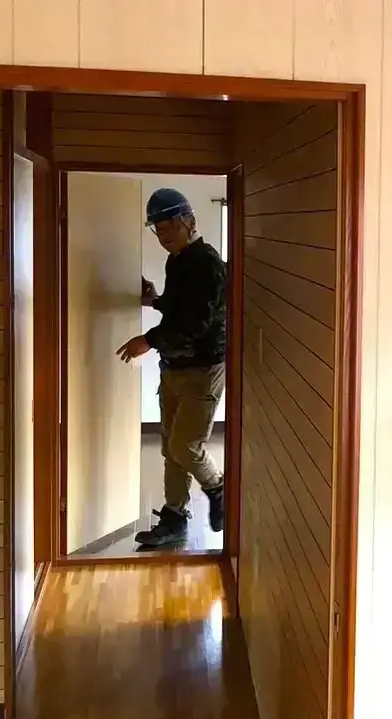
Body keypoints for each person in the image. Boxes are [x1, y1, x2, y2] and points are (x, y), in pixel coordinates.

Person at [117, 187, 227, 550]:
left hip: (204, 368)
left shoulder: (207, 263)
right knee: (170, 448)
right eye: (158, 229)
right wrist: (156, 300)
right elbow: (182, 309)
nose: (164, 235)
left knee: (185, 445)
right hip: (174, 366)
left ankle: (218, 487)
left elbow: (196, 323)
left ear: (189, 221)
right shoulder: (177, 261)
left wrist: (148, 340)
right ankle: (175, 517)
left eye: (170, 226)